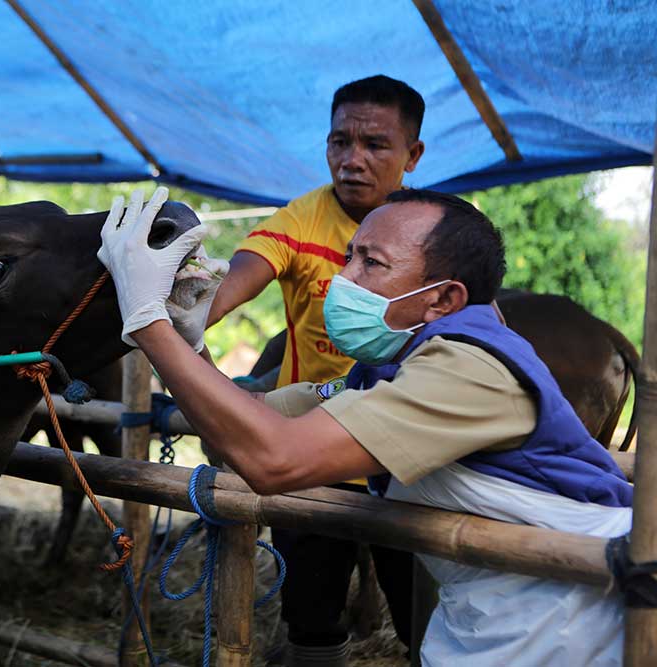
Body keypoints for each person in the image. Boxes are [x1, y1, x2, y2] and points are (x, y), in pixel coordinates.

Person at [97, 186, 632, 667]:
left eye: (370, 263)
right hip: (492, 608)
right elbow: (248, 421)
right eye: (349, 255)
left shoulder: (470, 369)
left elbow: (275, 459)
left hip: (571, 615)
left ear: (443, 299)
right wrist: (190, 341)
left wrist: (148, 321)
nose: (342, 276)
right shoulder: (389, 371)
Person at [204, 74, 426, 664]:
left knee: (425, 628)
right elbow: (237, 280)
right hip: (313, 458)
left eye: (376, 145)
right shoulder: (301, 218)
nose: (353, 159)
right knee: (311, 624)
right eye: (339, 142)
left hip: (409, 460)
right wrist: (191, 316)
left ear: (413, 155)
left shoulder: (435, 230)